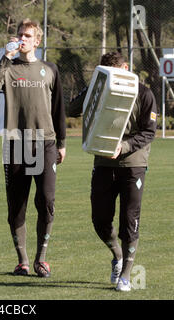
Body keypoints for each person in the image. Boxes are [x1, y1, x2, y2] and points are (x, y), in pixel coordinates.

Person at [0, 19, 66, 278]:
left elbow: (59, 109)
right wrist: (5, 57)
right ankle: (23, 260)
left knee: (46, 201)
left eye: (27, 36)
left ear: (37, 41)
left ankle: (42, 259)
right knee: (17, 205)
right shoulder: (8, 68)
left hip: (45, 144)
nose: (22, 39)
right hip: (16, 145)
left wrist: (62, 143)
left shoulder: (49, 69)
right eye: (19, 35)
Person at [69, 52, 157, 291]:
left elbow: (149, 132)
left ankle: (126, 276)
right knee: (99, 220)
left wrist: (125, 146)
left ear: (125, 68)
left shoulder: (145, 93)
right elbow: (70, 110)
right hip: (103, 164)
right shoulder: (100, 88)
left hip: (133, 166)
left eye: (114, 74)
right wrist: (95, 87)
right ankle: (117, 256)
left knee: (129, 221)